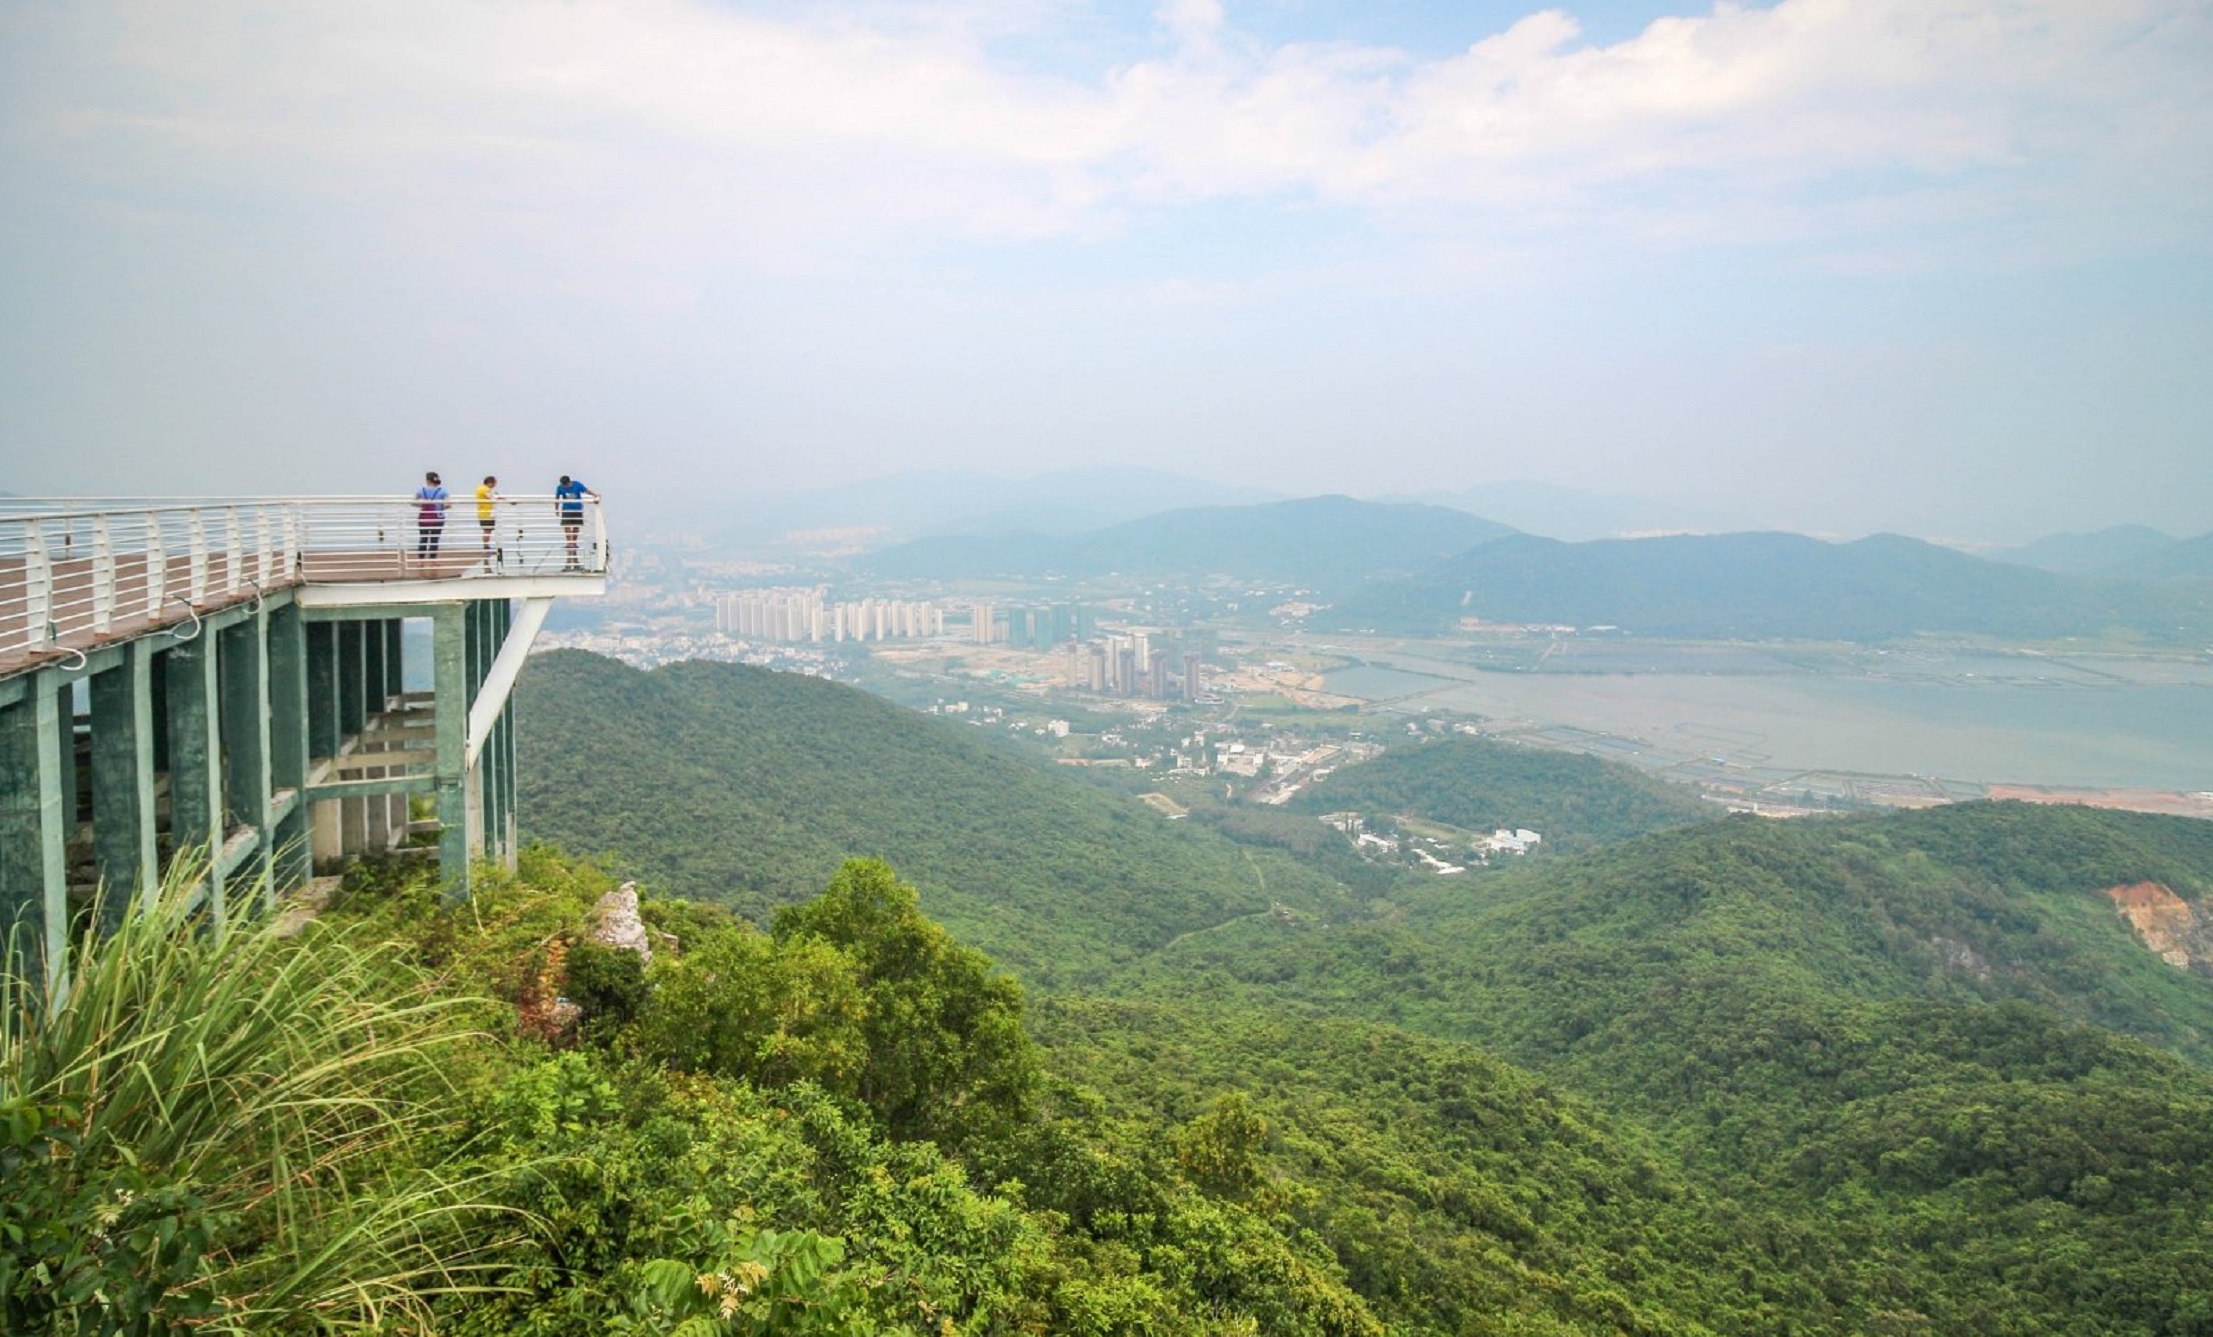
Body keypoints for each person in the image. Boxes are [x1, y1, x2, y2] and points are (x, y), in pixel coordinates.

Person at [554, 474, 597, 569]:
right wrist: (556, 509)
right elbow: (557, 499)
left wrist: (595, 495)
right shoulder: (560, 488)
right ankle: (570, 542)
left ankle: (573, 542)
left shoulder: (577, 485)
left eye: (566, 485)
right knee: (566, 526)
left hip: (577, 509)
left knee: (576, 526)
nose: (565, 487)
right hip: (566, 509)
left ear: (569, 482)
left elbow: (586, 490)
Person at [414, 471, 449, 561]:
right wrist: (440, 507)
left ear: (427, 480)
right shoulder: (443, 491)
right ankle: (433, 561)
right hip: (438, 518)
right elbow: (448, 504)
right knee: (434, 540)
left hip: (424, 518)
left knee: (423, 538)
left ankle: (421, 561)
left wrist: (422, 505)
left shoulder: (421, 490)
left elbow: (413, 502)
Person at [475, 475, 501, 560]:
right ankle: (486, 547)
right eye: (494, 483)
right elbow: (492, 497)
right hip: (486, 513)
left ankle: (486, 547)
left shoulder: (480, 488)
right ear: (490, 482)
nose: (495, 485)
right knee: (487, 530)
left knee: (487, 530)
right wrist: (504, 499)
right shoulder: (485, 489)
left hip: (484, 512)